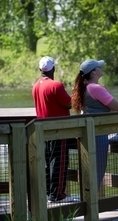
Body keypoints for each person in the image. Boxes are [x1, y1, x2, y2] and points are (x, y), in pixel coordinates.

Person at [71, 59, 118, 189]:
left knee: (91, 170)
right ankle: (93, 205)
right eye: (99, 67)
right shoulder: (96, 88)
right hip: (99, 135)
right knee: (98, 171)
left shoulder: (85, 87)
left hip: (90, 133)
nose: (101, 68)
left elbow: (104, 108)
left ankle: (90, 201)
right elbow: (117, 107)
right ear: (94, 72)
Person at [32, 56, 75, 203]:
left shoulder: (36, 85)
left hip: (43, 130)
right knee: (59, 161)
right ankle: (57, 195)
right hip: (59, 130)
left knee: (47, 161)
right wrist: (75, 93)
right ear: (53, 69)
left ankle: (49, 192)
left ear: (40, 69)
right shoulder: (56, 85)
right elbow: (69, 104)